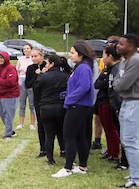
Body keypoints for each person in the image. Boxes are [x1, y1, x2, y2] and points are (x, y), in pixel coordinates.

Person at [52, 41, 95, 178]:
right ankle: (82, 167)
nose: (70, 55)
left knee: (69, 136)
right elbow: (77, 86)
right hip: (81, 105)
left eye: (72, 52)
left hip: (77, 106)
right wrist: (66, 93)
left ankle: (68, 168)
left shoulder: (83, 68)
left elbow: (84, 87)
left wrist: (69, 99)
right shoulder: (82, 67)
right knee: (80, 136)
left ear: (81, 54)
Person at [113, 34, 139, 188]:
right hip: (126, 102)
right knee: (126, 140)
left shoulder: (135, 61)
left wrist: (117, 83)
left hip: (134, 103)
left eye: (121, 44)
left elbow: (122, 85)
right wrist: (117, 83)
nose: (118, 46)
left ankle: (136, 178)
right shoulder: (124, 61)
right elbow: (117, 82)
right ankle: (134, 172)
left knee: (131, 141)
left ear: (131, 46)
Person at [34, 55, 70, 164]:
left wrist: (40, 74)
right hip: (60, 106)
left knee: (49, 133)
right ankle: (64, 151)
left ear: (52, 64)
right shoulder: (65, 76)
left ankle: (50, 158)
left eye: (48, 63)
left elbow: (36, 89)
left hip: (46, 107)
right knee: (61, 131)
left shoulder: (44, 76)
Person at [95, 46, 121, 164]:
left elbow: (107, 84)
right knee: (106, 128)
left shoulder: (115, 69)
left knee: (111, 128)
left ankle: (115, 153)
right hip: (101, 101)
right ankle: (110, 151)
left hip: (108, 102)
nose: (102, 59)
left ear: (110, 56)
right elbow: (97, 83)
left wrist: (103, 82)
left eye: (104, 56)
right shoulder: (107, 69)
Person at [0, 51, 20, 139]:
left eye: (2, 58)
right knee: (2, 115)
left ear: (6, 58)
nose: (0, 60)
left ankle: (8, 134)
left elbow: (10, 82)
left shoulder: (11, 68)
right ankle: (11, 131)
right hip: (0, 95)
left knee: (8, 115)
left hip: (10, 95)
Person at [26, 49, 47, 157]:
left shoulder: (47, 66)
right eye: (32, 56)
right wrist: (37, 75)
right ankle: (43, 149)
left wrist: (43, 73)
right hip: (38, 99)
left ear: (41, 56)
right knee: (41, 125)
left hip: (48, 98)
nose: (33, 58)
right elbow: (28, 84)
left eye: (35, 56)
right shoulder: (30, 68)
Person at [16, 43, 37, 130]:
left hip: (30, 81)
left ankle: (32, 123)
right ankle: (21, 123)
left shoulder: (33, 59)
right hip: (21, 80)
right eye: (24, 49)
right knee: (22, 104)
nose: (26, 50)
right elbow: (17, 70)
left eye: (28, 48)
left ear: (31, 49)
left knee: (32, 104)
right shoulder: (20, 59)